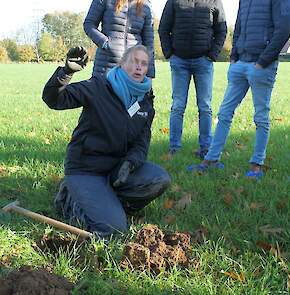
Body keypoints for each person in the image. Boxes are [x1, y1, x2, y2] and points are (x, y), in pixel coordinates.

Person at [42, 45, 170, 238]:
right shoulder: (99, 86)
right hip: (86, 169)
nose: (139, 67)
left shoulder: (145, 100)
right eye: (134, 61)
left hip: (116, 169)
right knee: (113, 230)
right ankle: (70, 200)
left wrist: (130, 163)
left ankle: (106, 203)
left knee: (159, 179)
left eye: (144, 64)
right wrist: (67, 72)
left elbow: (142, 141)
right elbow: (54, 99)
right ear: (122, 63)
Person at [190, 0, 290, 179]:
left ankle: (256, 165)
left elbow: (283, 30)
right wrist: (233, 57)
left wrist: (262, 62)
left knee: (261, 117)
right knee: (224, 113)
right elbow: (238, 27)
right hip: (240, 64)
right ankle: (212, 159)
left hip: (262, 65)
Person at [158, 0, 227, 158]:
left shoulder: (215, 1)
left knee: (205, 106)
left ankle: (205, 148)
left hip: (203, 61)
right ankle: (174, 148)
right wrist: (169, 53)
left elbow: (221, 30)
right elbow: (163, 28)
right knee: (178, 106)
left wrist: (212, 55)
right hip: (179, 61)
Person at [83, 0, 155, 78]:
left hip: (133, 70)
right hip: (106, 66)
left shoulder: (146, 4)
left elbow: (149, 42)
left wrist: (150, 74)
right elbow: (89, 24)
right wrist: (105, 43)